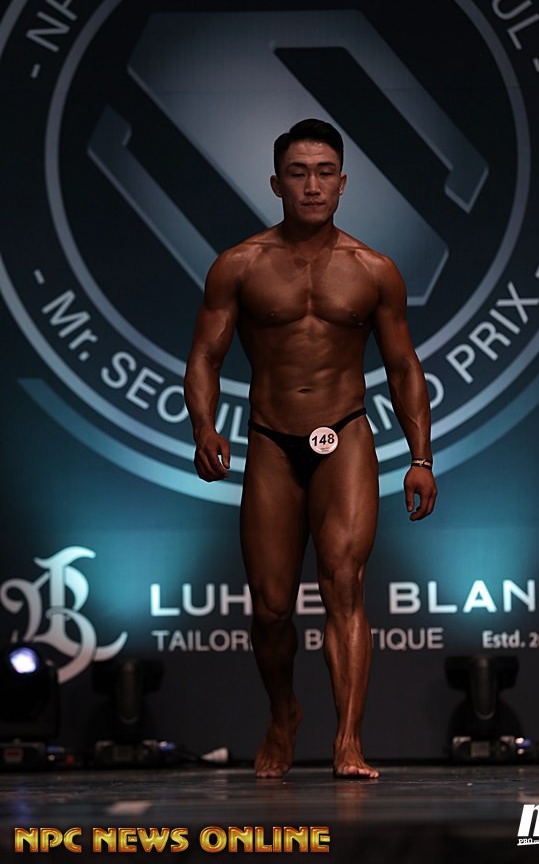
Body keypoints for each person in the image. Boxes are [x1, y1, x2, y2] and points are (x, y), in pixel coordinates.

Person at [184, 118, 437, 779]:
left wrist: (420, 458)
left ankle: (348, 742)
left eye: (325, 173)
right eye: (298, 173)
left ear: (343, 183)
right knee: (271, 607)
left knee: (344, 584)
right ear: (276, 183)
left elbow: (404, 366)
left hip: (345, 434)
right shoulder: (239, 265)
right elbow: (205, 354)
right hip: (271, 440)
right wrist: (204, 426)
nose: (312, 185)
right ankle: (283, 713)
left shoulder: (373, 270)